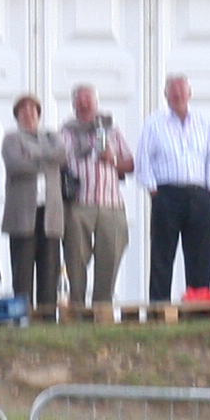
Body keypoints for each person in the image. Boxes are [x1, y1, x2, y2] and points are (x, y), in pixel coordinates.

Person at [134, 75, 210, 305]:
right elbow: (143, 159)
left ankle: (199, 307)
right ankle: (159, 309)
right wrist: (154, 191)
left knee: (200, 256)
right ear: (166, 95)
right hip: (167, 194)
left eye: (182, 91)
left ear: (189, 94)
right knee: (162, 256)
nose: (178, 95)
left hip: (199, 194)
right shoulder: (154, 122)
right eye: (173, 91)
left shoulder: (203, 122)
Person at [58, 86, 136, 317]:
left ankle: (102, 310)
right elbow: (56, 164)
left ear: (96, 104)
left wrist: (113, 159)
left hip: (111, 204)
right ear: (74, 106)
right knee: (75, 258)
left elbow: (130, 165)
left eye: (88, 101)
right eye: (80, 101)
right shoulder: (65, 133)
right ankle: (77, 310)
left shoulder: (111, 131)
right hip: (78, 204)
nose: (84, 105)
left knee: (111, 256)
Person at [0, 94, 66, 315]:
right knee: (23, 271)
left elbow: (62, 155)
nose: (28, 114)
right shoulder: (11, 139)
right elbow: (16, 164)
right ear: (17, 116)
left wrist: (34, 154)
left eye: (32, 110)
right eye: (23, 111)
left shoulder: (52, 136)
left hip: (50, 214)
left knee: (49, 270)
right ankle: (22, 316)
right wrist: (46, 160)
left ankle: (47, 317)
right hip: (23, 215)